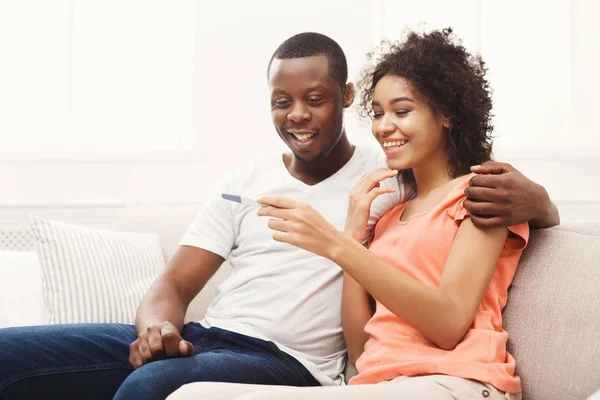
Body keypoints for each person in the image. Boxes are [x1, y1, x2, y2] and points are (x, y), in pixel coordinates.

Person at [0, 32, 558, 400]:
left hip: (290, 363)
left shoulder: (400, 180)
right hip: (209, 337)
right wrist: (158, 331)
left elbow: (480, 207)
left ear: (342, 97)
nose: (297, 115)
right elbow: (175, 281)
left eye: (316, 98)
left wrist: (540, 202)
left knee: (153, 389)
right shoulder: (371, 200)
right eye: (281, 100)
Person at [238, 28, 541, 399]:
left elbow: (448, 324)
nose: (383, 126)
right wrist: (353, 235)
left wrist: (337, 246)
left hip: (457, 380)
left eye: (402, 111)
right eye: (378, 113)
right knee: (192, 395)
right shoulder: (388, 216)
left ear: (445, 114)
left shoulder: (481, 195)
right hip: (380, 386)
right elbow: (359, 350)